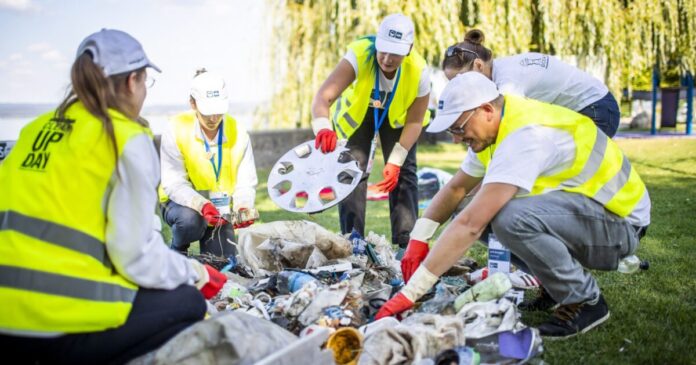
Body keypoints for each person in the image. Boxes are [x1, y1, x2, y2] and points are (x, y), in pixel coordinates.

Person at [0, 29, 227, 364]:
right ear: (132, 81)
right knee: (188, 303)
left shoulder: (35, 129)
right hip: (55, 330)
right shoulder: (125, 138)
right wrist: (197, 273)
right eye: (146, 81)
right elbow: (135, 257)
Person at [378, 72, 650, 339]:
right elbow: (456, 189)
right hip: (590, 216)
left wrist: (411, 292)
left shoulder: (526, 135)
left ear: (486, 110)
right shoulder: (496, 129)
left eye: (459, 128)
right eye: (452, 131)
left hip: (621, 226)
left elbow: (471, 225)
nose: (456, 139)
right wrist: (418, 239)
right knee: (468, 205)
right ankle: (553, 285)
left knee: (507, 217)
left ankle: (585, 301)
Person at [311, 13, 431, 248]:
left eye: (394, 52)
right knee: (352, 169)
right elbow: (322, 98)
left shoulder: (419, 71)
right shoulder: (358, 55)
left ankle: (406, 239)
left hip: (398, 120)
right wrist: (323, 129)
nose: (386, 58)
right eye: (382, 49)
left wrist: (395, 160)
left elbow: (415, 122)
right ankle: (352, 237)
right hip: (361, 115)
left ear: (409, 49)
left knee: (404, 171)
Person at [442, 29, 621, 137]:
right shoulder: (501, 70)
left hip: (597, 110)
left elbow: (503, 126)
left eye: (460, 79)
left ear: (479, 65)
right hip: (592, 106)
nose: (458, 87)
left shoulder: (508, 82)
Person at [160, 69, 258, 258]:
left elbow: (246, 181)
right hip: (178, 204)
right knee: (190, 221)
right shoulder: (175, 128)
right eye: (207, 112)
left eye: (218, 111)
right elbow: (174, 183)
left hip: (220, 209)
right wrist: (200, 204)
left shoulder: (238, 131)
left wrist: (243, 206)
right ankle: (177, 251)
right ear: (193, 104)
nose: (213, 118)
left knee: (223, 264)